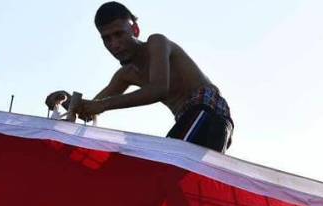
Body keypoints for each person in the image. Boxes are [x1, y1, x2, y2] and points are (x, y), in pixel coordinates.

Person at [44, 2, 234, 153]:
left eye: (119, 34)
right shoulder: (126, 75)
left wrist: (103, 105)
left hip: (209, 112)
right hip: (187, 120)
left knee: (165, 165)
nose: (114, 44)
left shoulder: (157, 43)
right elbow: (91, 108)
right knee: (165, 178)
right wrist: (66, 101)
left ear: (135, 30)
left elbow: (158, 89)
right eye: (107, 39)